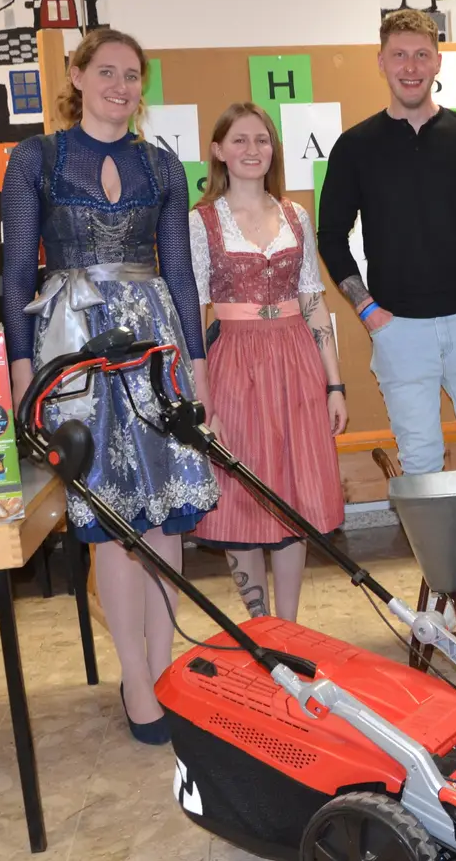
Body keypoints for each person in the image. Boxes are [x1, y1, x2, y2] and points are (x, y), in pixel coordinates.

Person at [1, 28, 217, 745]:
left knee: (163, 514)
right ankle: (136, 678)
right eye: (108, 72)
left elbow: (181, 274)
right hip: (73, 346)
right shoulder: (38, 157)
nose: (121, 86)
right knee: (111, 520)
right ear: (79, 75)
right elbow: (16, 275)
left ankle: (167, 670)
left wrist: (199, 365)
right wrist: (23, 371)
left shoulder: (162, 166)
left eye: (132, 76)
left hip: (152, 341)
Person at [317, 9, 456, 477]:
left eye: (421, 55)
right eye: (399, 55)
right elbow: (330, 236)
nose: (411, 66)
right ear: (380, 62)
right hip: (397, 329)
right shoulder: (354, 146)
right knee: (421, 463)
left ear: (438, 62)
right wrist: (368, 311)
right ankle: (440, 555)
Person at [188, 102, 349, 623]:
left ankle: (289, 627)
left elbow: (313, 301)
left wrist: (335, 383)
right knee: (241, 490)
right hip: (234, 361)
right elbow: (191, 312)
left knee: (292, 490)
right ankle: (259, 624)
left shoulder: (296, 215)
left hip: (295, 358)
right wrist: (200, 395)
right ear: (218, 151)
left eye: (261, 140)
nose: (251, 150)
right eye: (239, 140)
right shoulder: (201, 222)